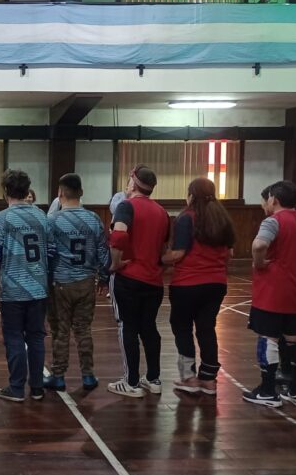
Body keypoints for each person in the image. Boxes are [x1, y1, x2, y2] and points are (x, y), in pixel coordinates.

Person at [243, 180, 296, 407]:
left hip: (272, 291)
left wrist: (259, 263)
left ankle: (267, 391)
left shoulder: (273, 221)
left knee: (267, 338)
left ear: (273, 199)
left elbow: (259, 245)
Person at [163, 178, 235, 396]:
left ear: (191, 195)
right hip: (216, 283)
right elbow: (229, 254)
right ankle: (209, 379)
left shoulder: (187, 218)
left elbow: (178, 254)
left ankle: (189, 377)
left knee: (182, 327)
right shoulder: (223, 218)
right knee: (206, 328)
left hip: (187, 283)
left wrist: (158, 258)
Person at [107, 164, 170, 398]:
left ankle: (131, 381)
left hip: (129, 277)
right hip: (153, 280)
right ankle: (153, 378)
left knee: (128, 326)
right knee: (149, 328)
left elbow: (119, 236)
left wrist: (114, 263)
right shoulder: (162, 212)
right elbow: (164, 250)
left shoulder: (126, 206)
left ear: (133, 182)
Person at [43, 173, 109, 392]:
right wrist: (105, 278)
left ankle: (58, 375)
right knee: (83, 330)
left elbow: (48, 254)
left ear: (60, 193)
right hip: (86, 282)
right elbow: (103, 252)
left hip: (60, 283)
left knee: (60, 331)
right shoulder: (94, 219)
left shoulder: (52, 221)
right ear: (81, 192)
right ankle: (88, 375)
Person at [0, 170, 49, 402]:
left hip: (13, 289)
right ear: (28, 189)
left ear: (5, 191)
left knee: (14, 336)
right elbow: (50, 250)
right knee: (36, 337)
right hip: (39, 287)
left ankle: (16, 388)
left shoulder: (2, 218)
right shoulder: (42, 216)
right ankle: (37, 387)